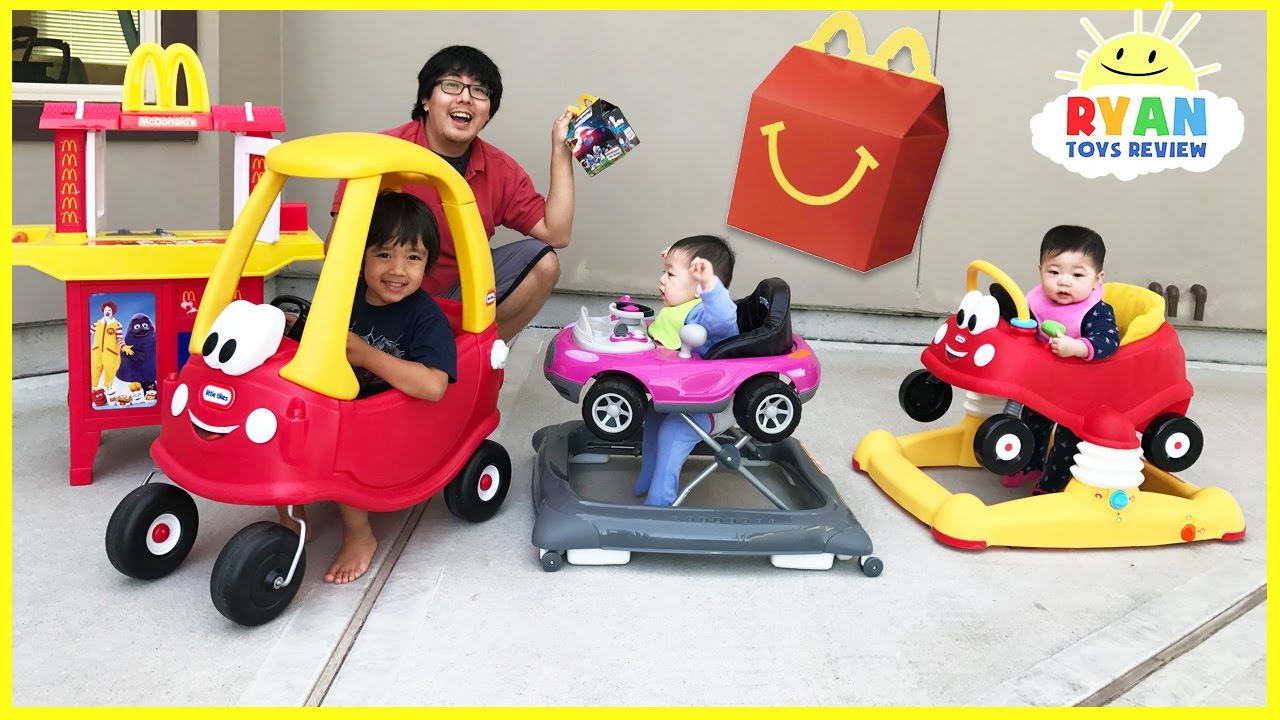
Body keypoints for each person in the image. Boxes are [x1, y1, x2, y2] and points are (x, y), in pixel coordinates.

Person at [331, 45, 576, 344]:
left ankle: (480, 356)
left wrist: (561, 151)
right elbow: (338, 247)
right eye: (451, 84)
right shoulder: (379, 153)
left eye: (479, 91)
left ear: (488, 112)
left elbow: (556, 234)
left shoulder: (499, 169)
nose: (465, 97)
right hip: (382, 296)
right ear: (425, 99)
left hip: (453, 299)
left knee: (544, 264)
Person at [280, 191, 458, 584]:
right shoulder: (343, 299)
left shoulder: (426, 318)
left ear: (428, 264)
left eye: (413, 257)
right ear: (360, 258)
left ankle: (359, 534)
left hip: (388, 422)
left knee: (344, 434)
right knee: (283, 415)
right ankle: (288, 519)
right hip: (335, 403)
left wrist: (369, 357)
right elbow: (312, 345)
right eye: (383, 254)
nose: (398, 270)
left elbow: (434, 387)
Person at [1003, 225, 1120, 495]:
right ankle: (1030, 463)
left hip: (1081, 391)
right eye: (1053, 272)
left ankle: (1053, 484)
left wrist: (1078, 347)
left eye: (1077, 274)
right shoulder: (1036, 300)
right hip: (1044, 382)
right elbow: (1025, 326)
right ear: (1040, 270)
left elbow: (1108, 342)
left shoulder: (1095, 310)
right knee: (1033, 421)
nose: (1063, 281)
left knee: (1068, 437)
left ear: (1097, 279)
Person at [632, 235, 740, 506]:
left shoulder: (702, 313)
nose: (662, 279)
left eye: (670, 274)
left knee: (673, 431)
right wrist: (675, 261)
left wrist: (710, 286)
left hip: (717, 404)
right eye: (664, 271)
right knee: (654, 413)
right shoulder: (679, 308)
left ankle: (661, 501)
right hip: (687, 396)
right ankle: (649, 476)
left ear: (699, 288)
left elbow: (725, 320)